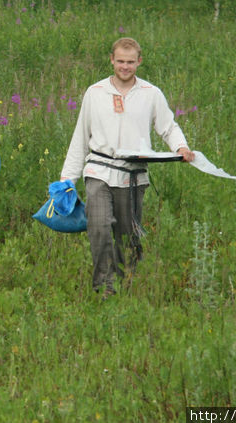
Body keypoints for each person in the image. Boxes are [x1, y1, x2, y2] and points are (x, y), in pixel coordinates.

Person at [59, 37, 195, 298]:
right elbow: (80, 136)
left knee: (126, 236)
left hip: (133, 176)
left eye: (130, 62)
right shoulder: (95, 92)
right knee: (98, 225)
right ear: (111, 60)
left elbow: (168, 126)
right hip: (98, 170)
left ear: (139, 62)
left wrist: (181, 147)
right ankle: (104, 287)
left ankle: (124, 286)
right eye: (120, 61)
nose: (125, 66)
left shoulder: (151, 94)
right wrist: (67, 178)